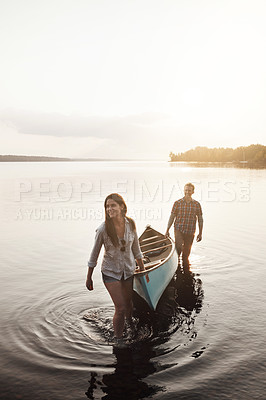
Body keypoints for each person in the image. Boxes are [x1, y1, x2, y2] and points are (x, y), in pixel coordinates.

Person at [86, 193, 145, 341]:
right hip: (110, 272)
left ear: (122, 207)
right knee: (120, 308)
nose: (109, 209)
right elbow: (94, 254)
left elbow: (136, 249)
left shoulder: (130, 224)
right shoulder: (103, 229)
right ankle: (118, 340)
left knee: (129, 304)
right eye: (107, 206)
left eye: (113, 205)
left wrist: (143, 270)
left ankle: (130, 324)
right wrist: (89, 277)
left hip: (128, 270)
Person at [165, 183, 203, 271]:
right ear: (183, 191)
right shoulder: (177, 203)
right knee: (178, 247)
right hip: (179, 229)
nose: (187, 192)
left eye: (189, 190)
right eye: (186, 190)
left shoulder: (197, 204)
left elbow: (200, 219)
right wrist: (167, 230)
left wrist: (200, 233)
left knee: (186, 255)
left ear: (193, 192)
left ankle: (186, 272)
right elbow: (172, 217)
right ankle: (176, 267)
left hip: (190, 231)